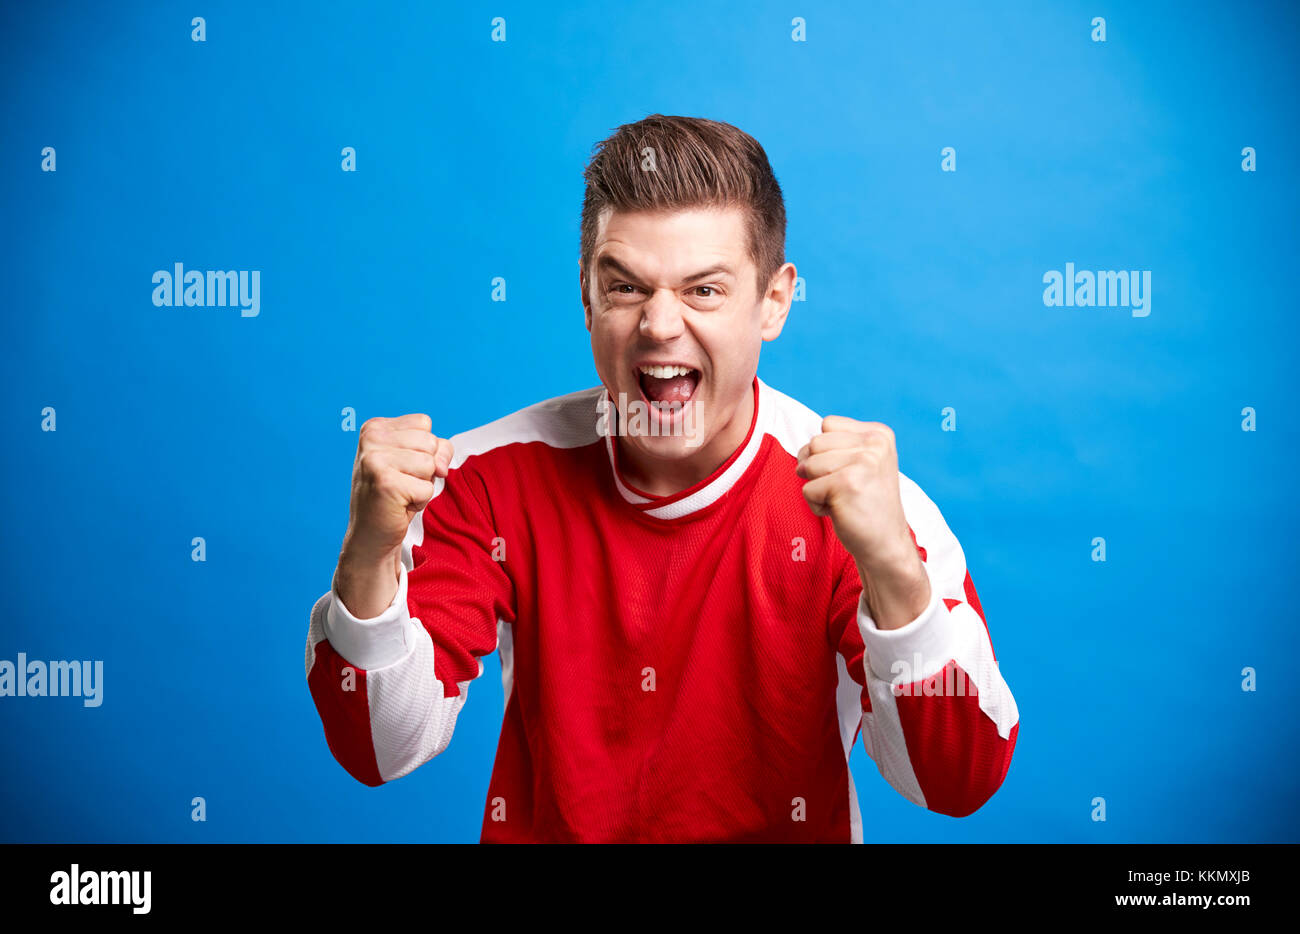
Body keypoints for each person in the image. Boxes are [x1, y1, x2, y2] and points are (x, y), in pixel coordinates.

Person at [304, 114, 1019, 843]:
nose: (659, 325)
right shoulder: (487, 479)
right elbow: (378, 748)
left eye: (704, 290)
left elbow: (955, 782)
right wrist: (367, 557)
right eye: (626, 288)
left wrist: (893, 568)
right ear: (586, 296)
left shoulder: (864, 505)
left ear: (774, 301)